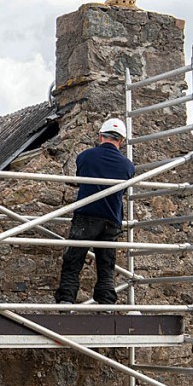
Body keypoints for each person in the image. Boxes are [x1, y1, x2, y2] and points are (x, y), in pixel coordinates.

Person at [54, 118, 135, 305]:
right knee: (106, 265)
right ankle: (106, 305)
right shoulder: (128, 166)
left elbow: (81, 177)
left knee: (74, 260)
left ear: (100, 136)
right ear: (121, 141)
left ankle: (66, 301)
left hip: (86, 215)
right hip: (112, 220)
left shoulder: (85, 156)